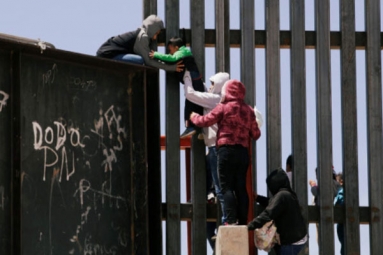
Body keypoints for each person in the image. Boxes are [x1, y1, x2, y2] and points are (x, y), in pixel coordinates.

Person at [190, 79, 261, 225]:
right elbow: (256, 134)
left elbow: (205, 121)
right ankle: (243, 221)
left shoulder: (223, 107)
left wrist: (192, 117)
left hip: (226, 151)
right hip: (242, 153)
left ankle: (230, 220)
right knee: (240, 187)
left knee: (226, 187)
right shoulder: (248, 110)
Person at [183, 70, 230, 249]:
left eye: (212, 84)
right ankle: (224, 223)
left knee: (220, 188)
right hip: (217, 148)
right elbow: (201, 91)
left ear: (218, 85)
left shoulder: (215, 99)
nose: (210, 87)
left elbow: (191, 94)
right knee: (219, 187)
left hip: (214, 148)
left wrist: (187, 77)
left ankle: (227, 221)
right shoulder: (219, 98)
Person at [149, 37, 205, 138]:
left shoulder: (181, 52)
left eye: (170, 50)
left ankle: (190, 127)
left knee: (189, 105)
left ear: (177, 47)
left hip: (192, 82)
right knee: (199, 105)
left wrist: (156, 55)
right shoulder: (186, 53)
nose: (170, 53)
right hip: (197, 82)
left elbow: (172, 59)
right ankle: (202, 129)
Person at [247, 168, 308, 255]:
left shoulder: (282, 196)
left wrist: (249, 226)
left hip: (291, 242)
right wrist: (258, 198)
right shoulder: (287, 194)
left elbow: (268, 214)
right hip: (298, 238)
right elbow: (273, 203)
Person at [96, 15, 183, 72]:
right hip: (107, 55)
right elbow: (149, 61)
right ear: (151, 28)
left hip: (108, 53)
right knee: (140, 60)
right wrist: (172, 68)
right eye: (156, 33)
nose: (155, 37)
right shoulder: (143, 37)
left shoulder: (141, 33)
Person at [334, 172, 344, 255]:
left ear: (341, 182)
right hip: (342, 220)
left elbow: (339, 200)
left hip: (342, 221)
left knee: (344, 243)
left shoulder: (341, 190)